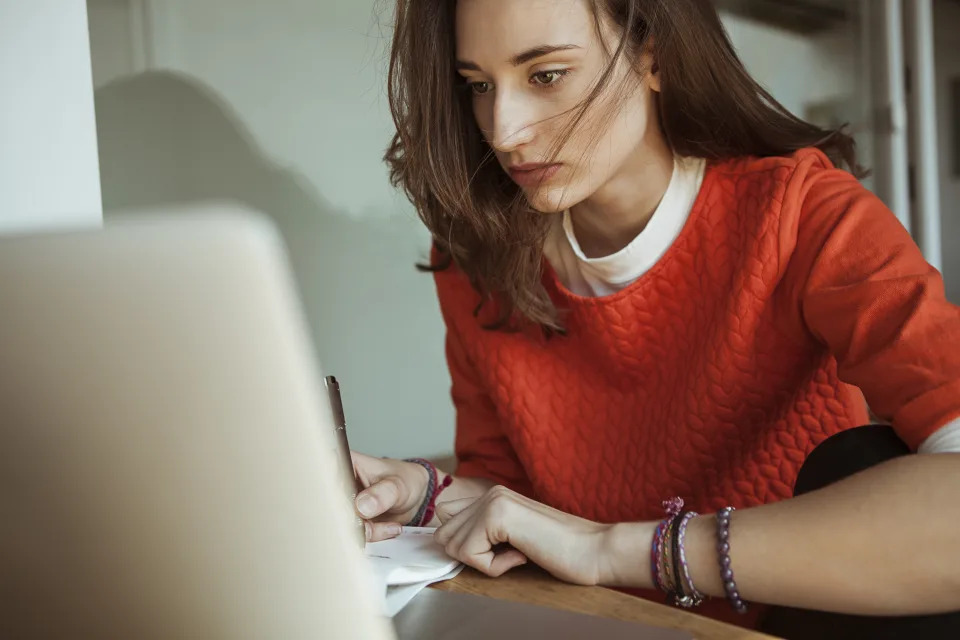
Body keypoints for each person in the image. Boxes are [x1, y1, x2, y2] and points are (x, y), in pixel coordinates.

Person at [352, 0, 960, 635]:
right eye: (478, 85)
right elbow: (514, 509)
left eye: (546, 75)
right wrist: (426, 494)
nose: (503, 131)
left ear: (654, 54)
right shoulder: (476, 253)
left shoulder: (806, 216)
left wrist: (612, 550)